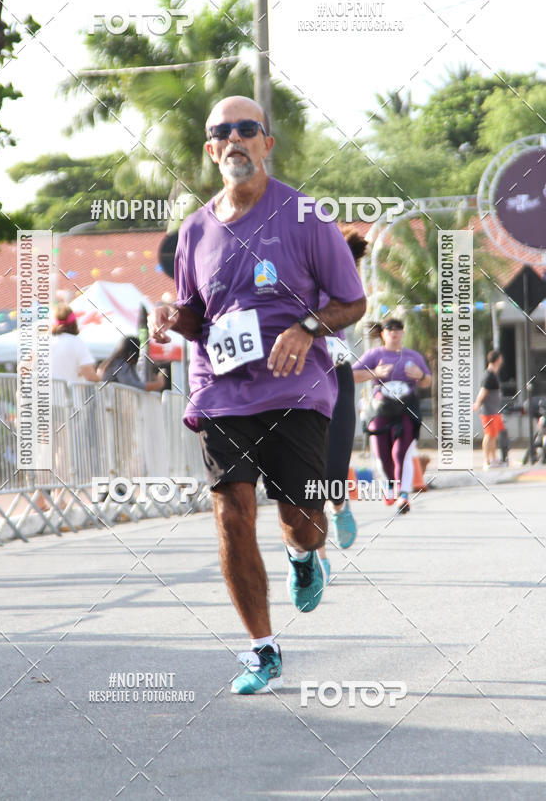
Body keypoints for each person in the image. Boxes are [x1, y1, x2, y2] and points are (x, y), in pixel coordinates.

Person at [150, 95, 366, 694]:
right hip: (221, 393)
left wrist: (306, 328)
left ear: (267, 143)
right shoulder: (195, 230)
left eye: (248, 129)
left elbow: (353, 302)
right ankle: (261, 649)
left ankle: (304, 558)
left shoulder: (305, 214)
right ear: (211, 149)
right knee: (231, 514)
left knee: (300, 520)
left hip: (296, 391)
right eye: (223, 132)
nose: (236, 139)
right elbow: (197, 316)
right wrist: (172, 315)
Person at [317, 226, 368, 583]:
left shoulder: (342, 277)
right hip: (296, 374)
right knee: (303, 474)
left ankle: (338, 505)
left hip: (336, 371)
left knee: (334, 468)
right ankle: (314, 556)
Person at [352, 318, 431, 514]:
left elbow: (427, 381)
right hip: (381, 408)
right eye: (389, 330)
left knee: (400, 452)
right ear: (382, 334)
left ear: (403, 333)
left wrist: (420, 375)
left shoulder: (413, 356)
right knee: (382, 452)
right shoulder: (374, 354)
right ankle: (389, 486)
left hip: (406, 407)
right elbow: (352, 376)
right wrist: (374, 372)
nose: (394, 333)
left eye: (398, 329)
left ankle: (403, 495)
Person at [473, 349, 506, 469]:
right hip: (488, 411)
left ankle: (493, 458)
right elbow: (483, 391)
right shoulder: (488, 375)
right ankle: (486, 460)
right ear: (497, 360)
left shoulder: (493, 374)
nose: (502, 360)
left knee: (494, 435)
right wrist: (477, 403)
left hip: (495, 411)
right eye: (500, 358)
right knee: (489, 435)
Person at [50, 304, 99, 383]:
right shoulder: (77, 342)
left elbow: (24, 368)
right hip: (67, 394)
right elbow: (90, 376)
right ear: (74, 323)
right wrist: (103, 382)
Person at [99, 335, 166, 391]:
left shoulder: (117, 363)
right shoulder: (120, 364)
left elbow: (136, 382)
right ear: (132, 353)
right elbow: (132, 385)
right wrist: (158, 384)